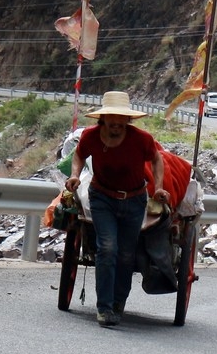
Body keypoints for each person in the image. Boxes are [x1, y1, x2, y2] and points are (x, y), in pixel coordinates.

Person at [63, 90, 169, 327]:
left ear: (127, 120)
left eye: (121, 120)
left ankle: (118, 302)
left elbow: (157, 160)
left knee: (126, 254)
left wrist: (159, 187)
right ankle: (104, 308)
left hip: (134, 200)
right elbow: (78, 155)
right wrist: (74, 175)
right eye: (112, 120)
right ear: (103, 119)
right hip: (102, 198)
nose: (116, 125)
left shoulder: (142, 139)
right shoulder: (91, 136)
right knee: (108, 248)